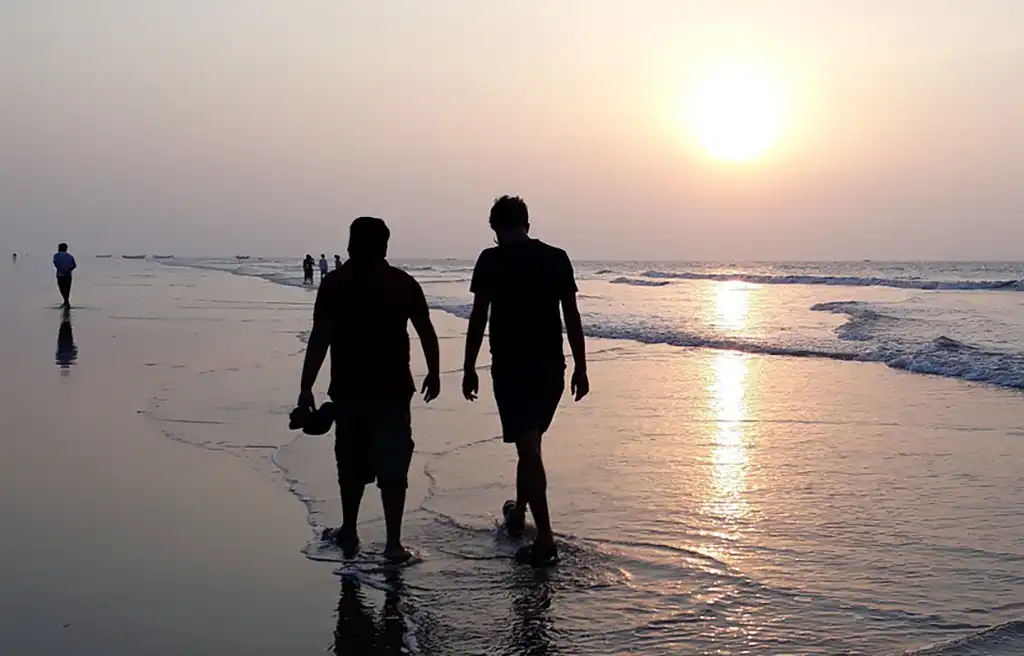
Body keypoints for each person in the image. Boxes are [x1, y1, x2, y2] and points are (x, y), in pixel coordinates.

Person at [298, 217, 440, 562]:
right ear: (385, 247)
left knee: (350, 463)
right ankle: (393, 544)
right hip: (393, 389)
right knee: (393, 468)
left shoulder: (335, 284)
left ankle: (349, 531)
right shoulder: (403, 284)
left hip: (349, 390)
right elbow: (425, 330)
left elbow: (321, 337)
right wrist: (434, 372)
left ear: (350, 245)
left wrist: (306, 388)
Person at [462, 195, 589, 567]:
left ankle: (545, 537)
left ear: (495, 227)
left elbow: (478, 317)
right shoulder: (556, 257)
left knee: (529, 448)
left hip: (512, 367)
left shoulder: (491, 259)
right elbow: (572, 316)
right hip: (552, 367)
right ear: (528, 223)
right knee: (529, 443)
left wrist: (468, 366)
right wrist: (581, 366)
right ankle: (518, 515)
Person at [52, 243, 77, 308]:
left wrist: (61, 269)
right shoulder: (70, 256)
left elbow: (56, 264)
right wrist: (68, 270)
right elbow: (74, 265)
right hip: (68, 275)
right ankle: (66, 302)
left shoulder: (56, 256)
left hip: (60, 275)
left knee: (62, 289)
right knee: (67, 290)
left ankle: (66, 302)